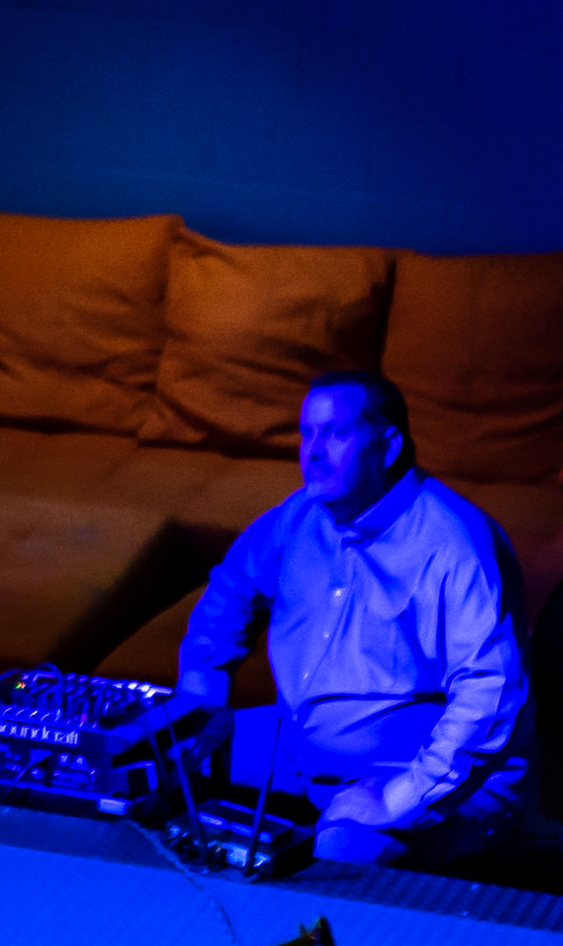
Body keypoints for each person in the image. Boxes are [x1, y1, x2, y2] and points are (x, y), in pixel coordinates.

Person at [179, 369, 533, 868]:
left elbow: (490, 696)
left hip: (426, 774)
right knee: (161, 759)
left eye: (336, 434)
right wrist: (200, 698)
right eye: (307, 433)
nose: (313, 452)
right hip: (300, 751)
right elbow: (229, 592)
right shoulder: (299, 517)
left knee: (339, 855)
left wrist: (397, 799)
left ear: (388, 447)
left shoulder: (455, 544)